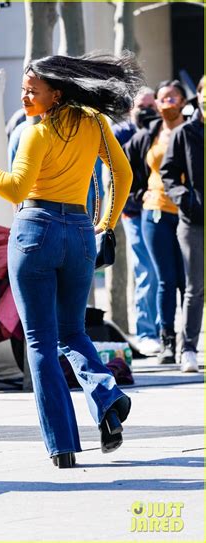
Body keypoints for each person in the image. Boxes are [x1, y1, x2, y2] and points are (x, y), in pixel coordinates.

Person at [0, 52, 141, 467]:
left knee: (39, 340)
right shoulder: (95, 125)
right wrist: (104, 224)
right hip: (79, 232)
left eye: (32, 91)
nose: (24, 97)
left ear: (56, 93)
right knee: (73, 332)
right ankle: (106, 399)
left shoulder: (37, 133)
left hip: (35, 231)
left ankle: (63, 446)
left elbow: (16, 189)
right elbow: (122, 176)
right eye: (22, 90)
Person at [124, 80, 187, 364]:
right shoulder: (149, 134)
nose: (165, 103)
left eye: (172, 98)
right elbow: (125, 168)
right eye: (162, 99)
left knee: (189, 283)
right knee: (164, 279)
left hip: (189, 215)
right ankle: (167, 343)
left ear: (184, 102)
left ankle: (190, 342)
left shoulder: (193, 131)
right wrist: (138, 194)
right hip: (155, 213)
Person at [161, 76, 204, 372]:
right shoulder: (185, 133)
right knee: (195, 287)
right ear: (199, 97)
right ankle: (187, 348)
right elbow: (169, 174)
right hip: (194, 221)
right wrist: (186, 200)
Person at [114, 88, 162, 356]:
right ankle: (146, 332)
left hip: (161, 210)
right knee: (146, 270)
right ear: (131, 109)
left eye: (150, 105)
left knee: (162, 273)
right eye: (141, 106)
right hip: (134, 210)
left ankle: (164, 329)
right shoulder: (121, 133)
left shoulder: (163, 130)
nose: (146, 110)